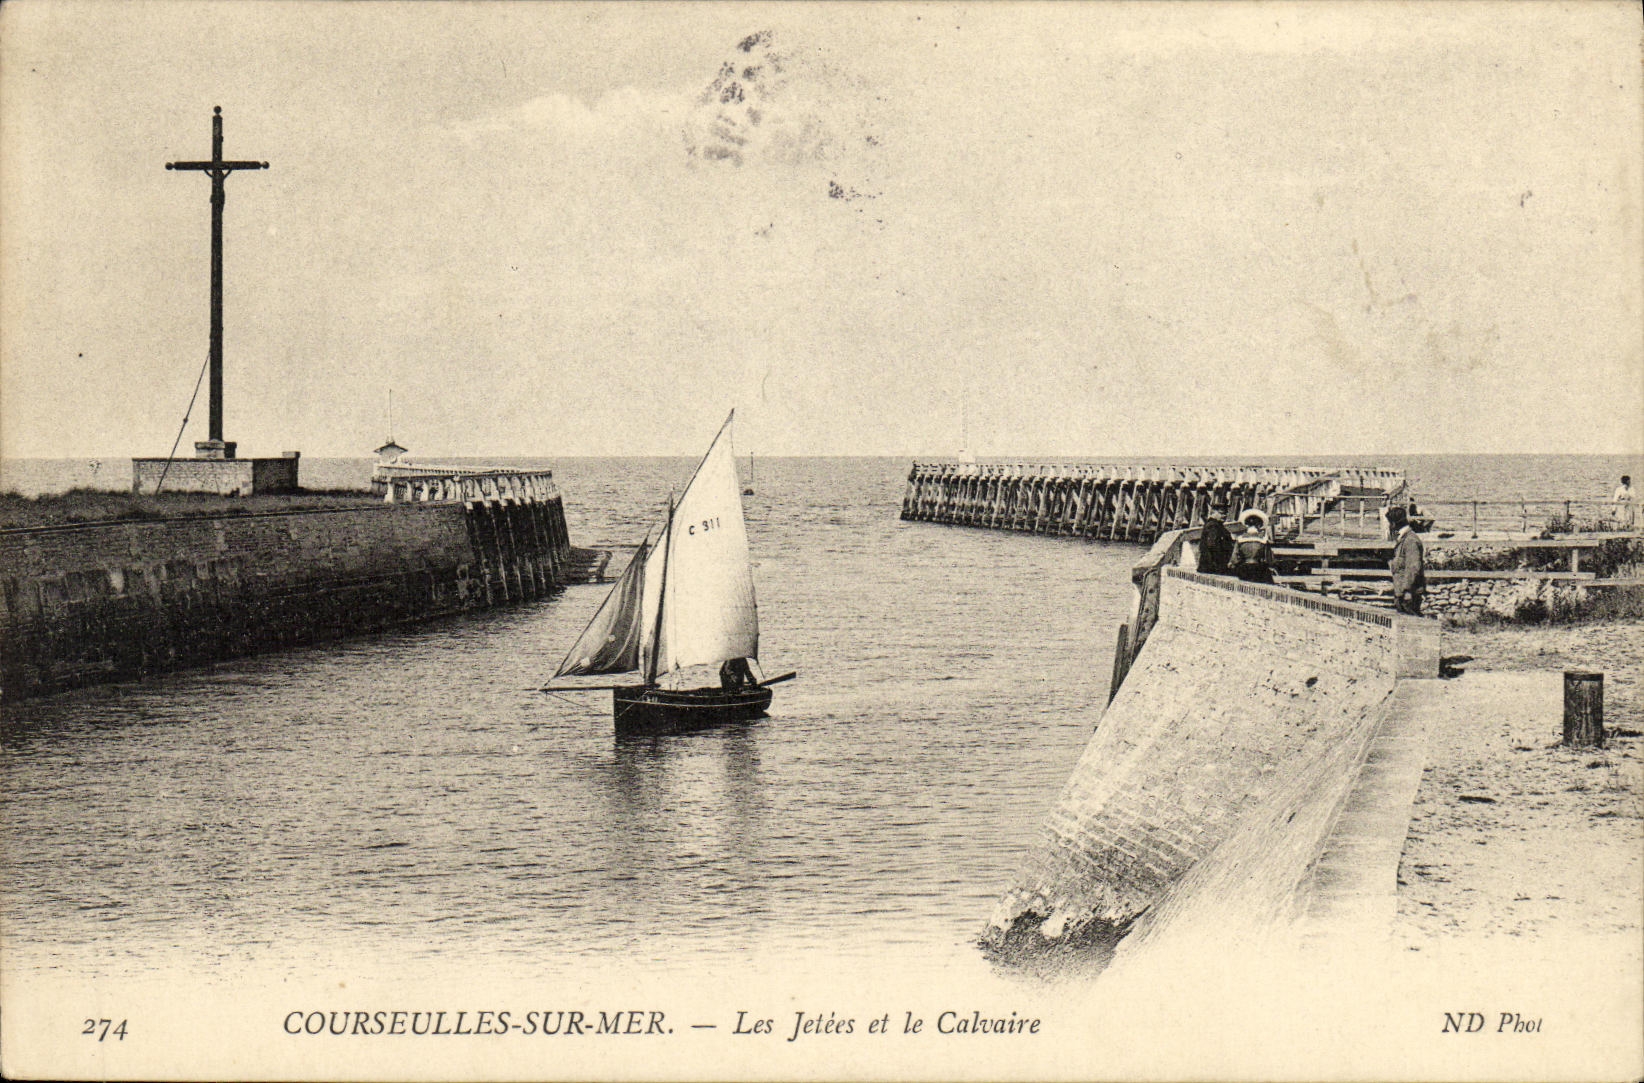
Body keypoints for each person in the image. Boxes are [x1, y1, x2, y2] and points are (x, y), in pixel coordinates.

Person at [1388, 505, 1426, 615]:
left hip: (1409, 595)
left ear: (1394, 524)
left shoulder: (1410, 541)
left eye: (1390, 523)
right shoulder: (1404, 539)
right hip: (1402, 593)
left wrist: (1407, 590)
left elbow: (1413, 568)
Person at [1230, 509, 1275, 584]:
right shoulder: (1263, 539)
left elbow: (1234, 558)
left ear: (1247, 525)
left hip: (1244, 568)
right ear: (1259, 525)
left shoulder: (1240, 539)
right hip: (1258, 568)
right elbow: (1269, 559)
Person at [1197, 503, 1234, 576]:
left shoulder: (1216, 525)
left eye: (1226, 513)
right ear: (1213, 512)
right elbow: (1212, 546)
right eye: (1221, 513)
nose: (1224, 516)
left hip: (1210, 566)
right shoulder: (1213, 526)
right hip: (1212, 567)